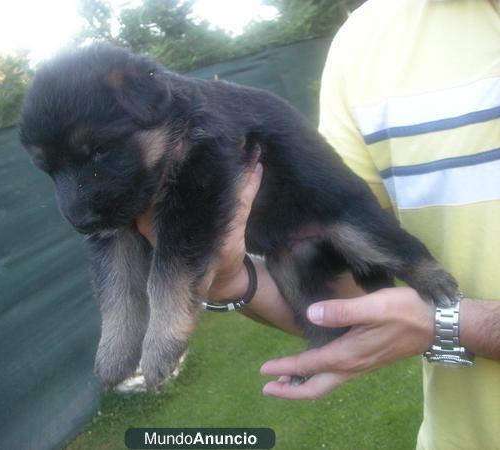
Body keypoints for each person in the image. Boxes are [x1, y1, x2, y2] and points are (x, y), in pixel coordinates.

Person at [137, 0, 499, 447]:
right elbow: (351, 276)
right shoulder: (365, 41)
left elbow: (427, 317)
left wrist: (453, 324)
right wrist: (234, 279)